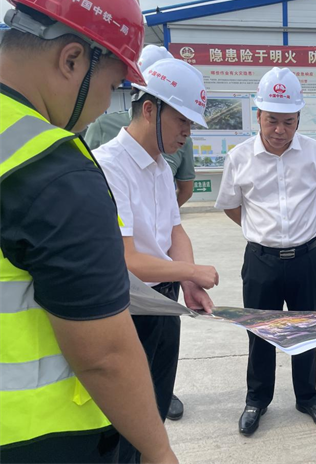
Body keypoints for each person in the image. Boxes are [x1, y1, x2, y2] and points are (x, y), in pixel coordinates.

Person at [0, 0, 178, 463]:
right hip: (36, 437)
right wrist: (159, 452)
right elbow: (103, 356)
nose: (104, 106)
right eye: (112, 86)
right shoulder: (53, 171)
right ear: (72, 59)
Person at [93, 57, 218, 463]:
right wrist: (189, 271)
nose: (187, 132)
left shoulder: (161, 165)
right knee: (125, 423)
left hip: (163, 304)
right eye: (181, 120)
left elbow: (174, 230)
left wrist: (188, 283)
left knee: (156, 408)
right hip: (127, 311)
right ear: (149, 109)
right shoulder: (109, 166)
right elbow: (127, 258)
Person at [216, 67, 316, 436]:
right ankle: (257, 400)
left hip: (306, 259)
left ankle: (308, 397)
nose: (280, 130)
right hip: (261, 261)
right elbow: (232, 206)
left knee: (307, 331)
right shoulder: (239, 157)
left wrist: (300, 230)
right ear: (258, 115)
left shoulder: (314, 153)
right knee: (260, 333)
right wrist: (264, 232)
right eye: (272, 120)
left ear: (299, 118)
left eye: (288, 121)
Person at [86, 45, 196, 209]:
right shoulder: (104, 136)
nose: (186, 132)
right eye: (181, 120)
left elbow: (185, 190)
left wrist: (161, 213)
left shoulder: (164, 168)